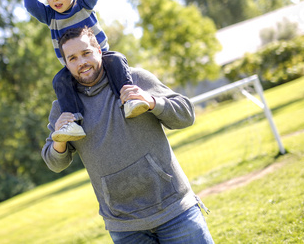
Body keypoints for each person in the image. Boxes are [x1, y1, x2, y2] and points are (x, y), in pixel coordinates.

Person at [41, 26, 214, 243]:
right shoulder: (62, 109)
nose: (81, 62)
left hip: (175, 209)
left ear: (99, 51)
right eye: (72, 58)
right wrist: (60, 139)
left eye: (86, 53)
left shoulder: (136, 79)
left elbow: (186, 115)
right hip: (124, 226)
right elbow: (54, 163)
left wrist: (152, 102)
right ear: (66, 64)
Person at [23, 0, 149, 142]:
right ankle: (73, 121)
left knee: (117, 59)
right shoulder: (50, 15)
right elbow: (30, 5)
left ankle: (129, 99)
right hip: (73, 66)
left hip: (100, 57)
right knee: (59, 81)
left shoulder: (83, 3)